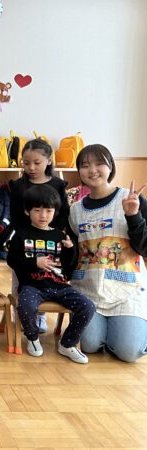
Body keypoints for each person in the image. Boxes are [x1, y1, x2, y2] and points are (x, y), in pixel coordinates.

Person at [69, 144, 147, 362]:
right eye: (85, 165)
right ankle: (110, 334)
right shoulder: (75, 210)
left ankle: (126, 333)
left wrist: (133, 216)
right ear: (79, 171)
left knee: (129, 352)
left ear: (110, 166)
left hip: (127, 290)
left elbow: (144, 248)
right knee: (90, 345)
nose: (92, 170)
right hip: (88, 290)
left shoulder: (131, 199)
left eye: (99, 164)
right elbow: (72, 252)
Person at [8, 184, 95, 363]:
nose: (43, 215)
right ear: (27, 211)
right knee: (25, 305)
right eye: (37, 210)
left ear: (55, 212)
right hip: (33, 286)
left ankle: (67, 343)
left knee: (87, 306)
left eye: (48, 210)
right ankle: (32, 338)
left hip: (60, 286)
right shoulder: (21, 235)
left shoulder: (59, 236)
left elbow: (68, 266)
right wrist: (34, 262)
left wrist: (70, 250)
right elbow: (12, 260)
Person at [10, 138, 70, 334]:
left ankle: (40, 314)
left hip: (51, 240)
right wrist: (24, 236)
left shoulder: (58, 184)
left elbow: (63, 213)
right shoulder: (18, 186)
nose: (31, 168)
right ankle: (23, 314)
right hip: (25, 240)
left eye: (37, 162)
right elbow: (15, 215)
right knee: (21, 278)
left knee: (47, 277)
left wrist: (55, 234)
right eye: (26, 163)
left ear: (49, 161)